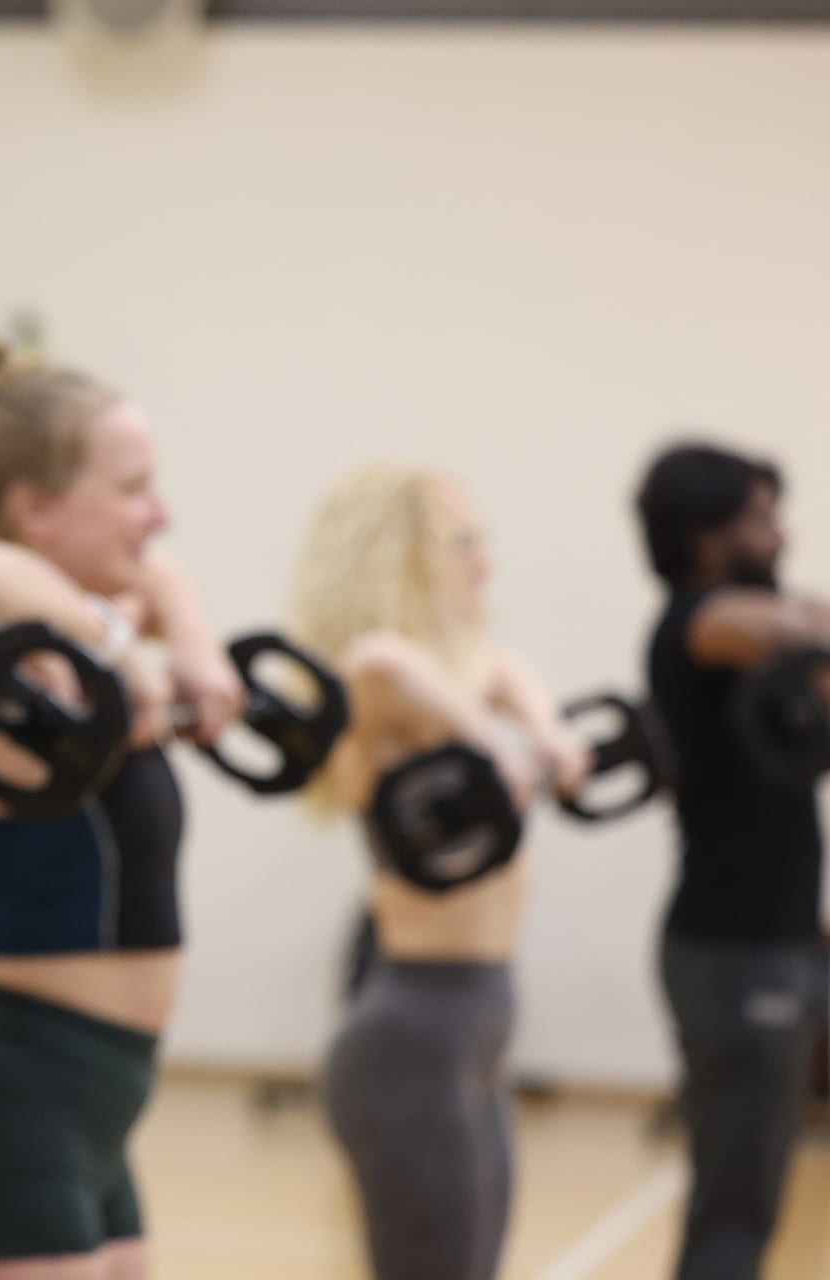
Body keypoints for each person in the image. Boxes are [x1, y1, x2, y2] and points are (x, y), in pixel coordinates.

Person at [0, 335, 243, 1279]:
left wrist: (194, 654)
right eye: (131, 489)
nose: (157, 516)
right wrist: (125, 654)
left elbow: (164, 578)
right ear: (37, 510)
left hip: (99, 1117)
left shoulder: (90, 637)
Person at [286, 464, 590, 1280]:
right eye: (462, 545)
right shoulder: (374, 686)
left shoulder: (461, 677)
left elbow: (501, 667)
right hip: (412, 1035)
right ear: (400, 559)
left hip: (479, 1029)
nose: (482, 561)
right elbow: (384, 663)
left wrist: (546, 732)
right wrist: (500, 746)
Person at [634, 442, 829, 1280]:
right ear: (703, 537)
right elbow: (788, 623)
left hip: (778, 943)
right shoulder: (696, 623)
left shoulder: (776, 661)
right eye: (759, 517)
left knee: (753, 1198)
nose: (780, 536)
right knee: (733, 1210)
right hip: (732, 952)